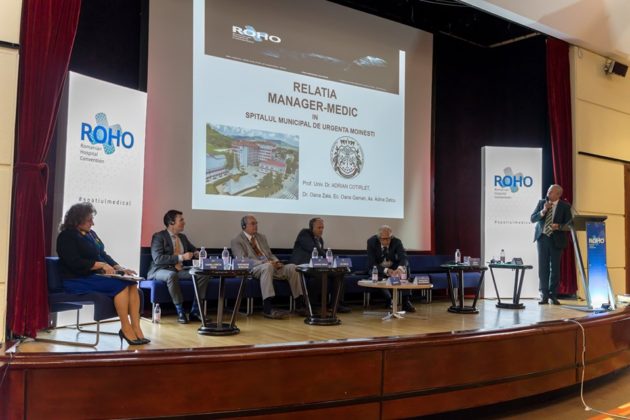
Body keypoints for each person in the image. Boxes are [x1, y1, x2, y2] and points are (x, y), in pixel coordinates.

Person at [56, 202, 148, 345]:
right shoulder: (66, 236)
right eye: (89, 220)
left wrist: (119, 268)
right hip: (76, 279)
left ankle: (136, 327)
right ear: (77, 219)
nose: (92, 223)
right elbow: (74, 262)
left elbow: (102, 254)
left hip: (92, 277)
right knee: (121, 286)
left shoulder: (91, 234)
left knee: (131, 283)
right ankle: (125, 328)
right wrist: (100, 265)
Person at [231, 214, 306, 319]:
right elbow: (242, 260)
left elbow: (269, 254)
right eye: (253, 224)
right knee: (267, 267)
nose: (256, 226)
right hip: (253, 268)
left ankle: (299, 305)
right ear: (244, 226)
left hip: (269, 265)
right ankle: (267, 308)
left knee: (293, 267)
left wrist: (276, 262)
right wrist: (264, 263)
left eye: (256, 223)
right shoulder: (237, 241)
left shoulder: (261, 237)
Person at [147, 210, 210, 324]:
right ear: (171, 223)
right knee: (171, 275)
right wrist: (181, 257)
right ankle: (180, 312)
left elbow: (193, 249)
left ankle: (195, 311)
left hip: (179, 270)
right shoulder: (159, 237)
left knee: (202, 274)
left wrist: (197, 253)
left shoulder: (182, 237)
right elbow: (158, 259)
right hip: (160, 270)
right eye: (181, 220)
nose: (184, 222)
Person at [291, 217, 351, 313]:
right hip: (302, 266)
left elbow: (320, 255)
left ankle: (335, 304)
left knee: (339, 274)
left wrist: (331, 261)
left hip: (316, 266)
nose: (321, 230)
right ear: (312, 228)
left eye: (322, 227)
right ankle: (311, 306)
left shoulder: (320, 240)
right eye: (319, 228)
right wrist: (330, 258)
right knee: (319, 276)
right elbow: (313, 248)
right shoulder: (304, 233)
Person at [530, 184, 573, 305]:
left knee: (555, 269)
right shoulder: (542, 203)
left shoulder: (565, 206)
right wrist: (543, 211)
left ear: (558, 194)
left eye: (551, 192)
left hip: (556, 240)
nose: (548, 193)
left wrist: (558, 226)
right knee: (543, 268)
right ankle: (543, 295)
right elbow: (532, 219)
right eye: (548, 191)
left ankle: (553, 295)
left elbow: (569, 225)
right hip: (542, 238)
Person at [366, 225, 415, 312]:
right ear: (379, 238)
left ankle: (406, 301)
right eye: (384, 239)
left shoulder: (397, 241)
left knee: (405, 268)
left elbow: (404, 258)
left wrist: (399, 269)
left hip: (393, 267)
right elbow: (372, 263)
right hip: (378, 267)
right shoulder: (371, 242)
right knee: (376, 274)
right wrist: (386, 270)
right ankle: (389, 299)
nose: (387, 241)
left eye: (389, 238)